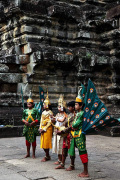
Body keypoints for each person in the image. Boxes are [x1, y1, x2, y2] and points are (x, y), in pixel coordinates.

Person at [68, 94, 89, 177]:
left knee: (82, 152)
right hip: (75, 134)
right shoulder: (78, 113)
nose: (75, 105)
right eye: (75, 104)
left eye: (76, 104)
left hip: (79, 135)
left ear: (80, 106)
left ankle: (86, 172)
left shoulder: (81, 114)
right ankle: (73, 166)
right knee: (73, 150)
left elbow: (75, 124)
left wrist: (70, 127)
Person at [55, 101, 76, 170]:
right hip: (66, 135)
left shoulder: (75, 115)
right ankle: (62, 164)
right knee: (64, 149)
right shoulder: (69, 115)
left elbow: (71, 126)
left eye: (70, 107)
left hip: (71, 135)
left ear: (73, 107)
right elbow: (65, 123)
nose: (68, 108)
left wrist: (62, 131)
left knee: (71, 150)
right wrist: (59, 128)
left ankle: (72, 165)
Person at [52, 95, 68, 165]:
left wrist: (55, 118)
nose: (59, 108)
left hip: (62, 132)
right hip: (56, 131)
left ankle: (62, 160)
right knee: (57, 146)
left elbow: (61, 120)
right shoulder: (57, 114)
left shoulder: (65, 115)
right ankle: (59, 159)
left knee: (61, 146)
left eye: (60, 106)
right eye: (58, 106)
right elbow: (54, 121)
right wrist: (51, 118)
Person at [39, 91, 53, 162]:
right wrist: (40, 128)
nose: (43, 105)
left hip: (48, 129)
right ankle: (47, 155)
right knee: (43, 143)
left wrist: (44, 129)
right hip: (43, 128)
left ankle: (47, 155)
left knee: (46, 143)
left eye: (44, 104)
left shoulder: (50, 112)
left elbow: (50, 122)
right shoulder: (43, 112)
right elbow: (41, 120)